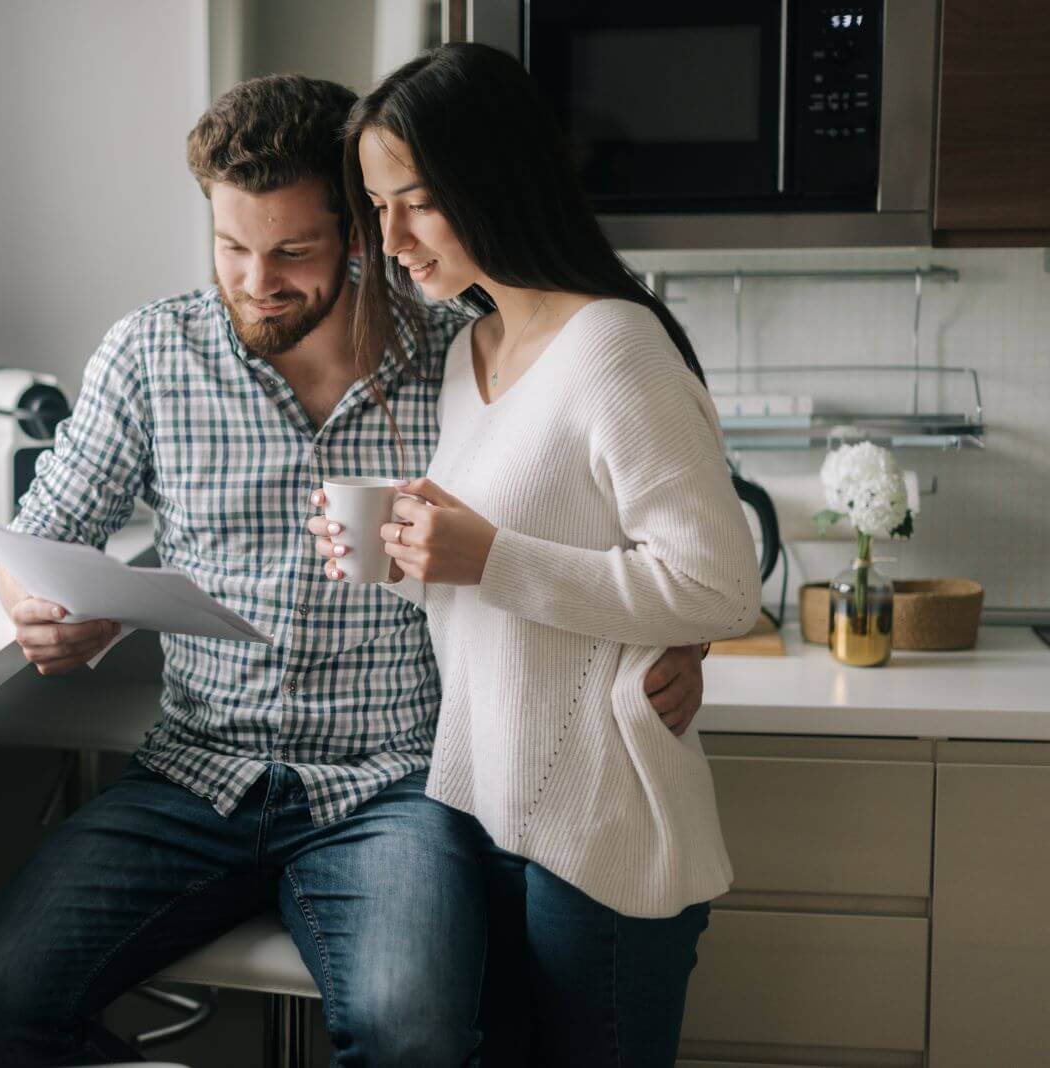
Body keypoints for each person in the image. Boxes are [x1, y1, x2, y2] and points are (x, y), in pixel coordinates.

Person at [0, 72, 710, 1067]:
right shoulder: (151, 352)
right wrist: (35, 605)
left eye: (292, 252)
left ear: (358, 232)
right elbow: (41, 532)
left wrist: (680, 634)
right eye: (231, 247)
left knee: (416, 1038)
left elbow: (623, 515)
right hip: (192, 772)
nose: (258, 281)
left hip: (392, 786)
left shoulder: (457, 352)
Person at [308, 43, 762, 1066]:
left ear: (494, 177)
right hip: (482, 812)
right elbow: (506, 568)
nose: (392, 239)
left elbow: (719, 586)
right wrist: (401, 542)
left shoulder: (614, 347)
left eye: (415, 200)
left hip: (597, 834)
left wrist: (487, 556)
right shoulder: (471, 354)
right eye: (377, 208)